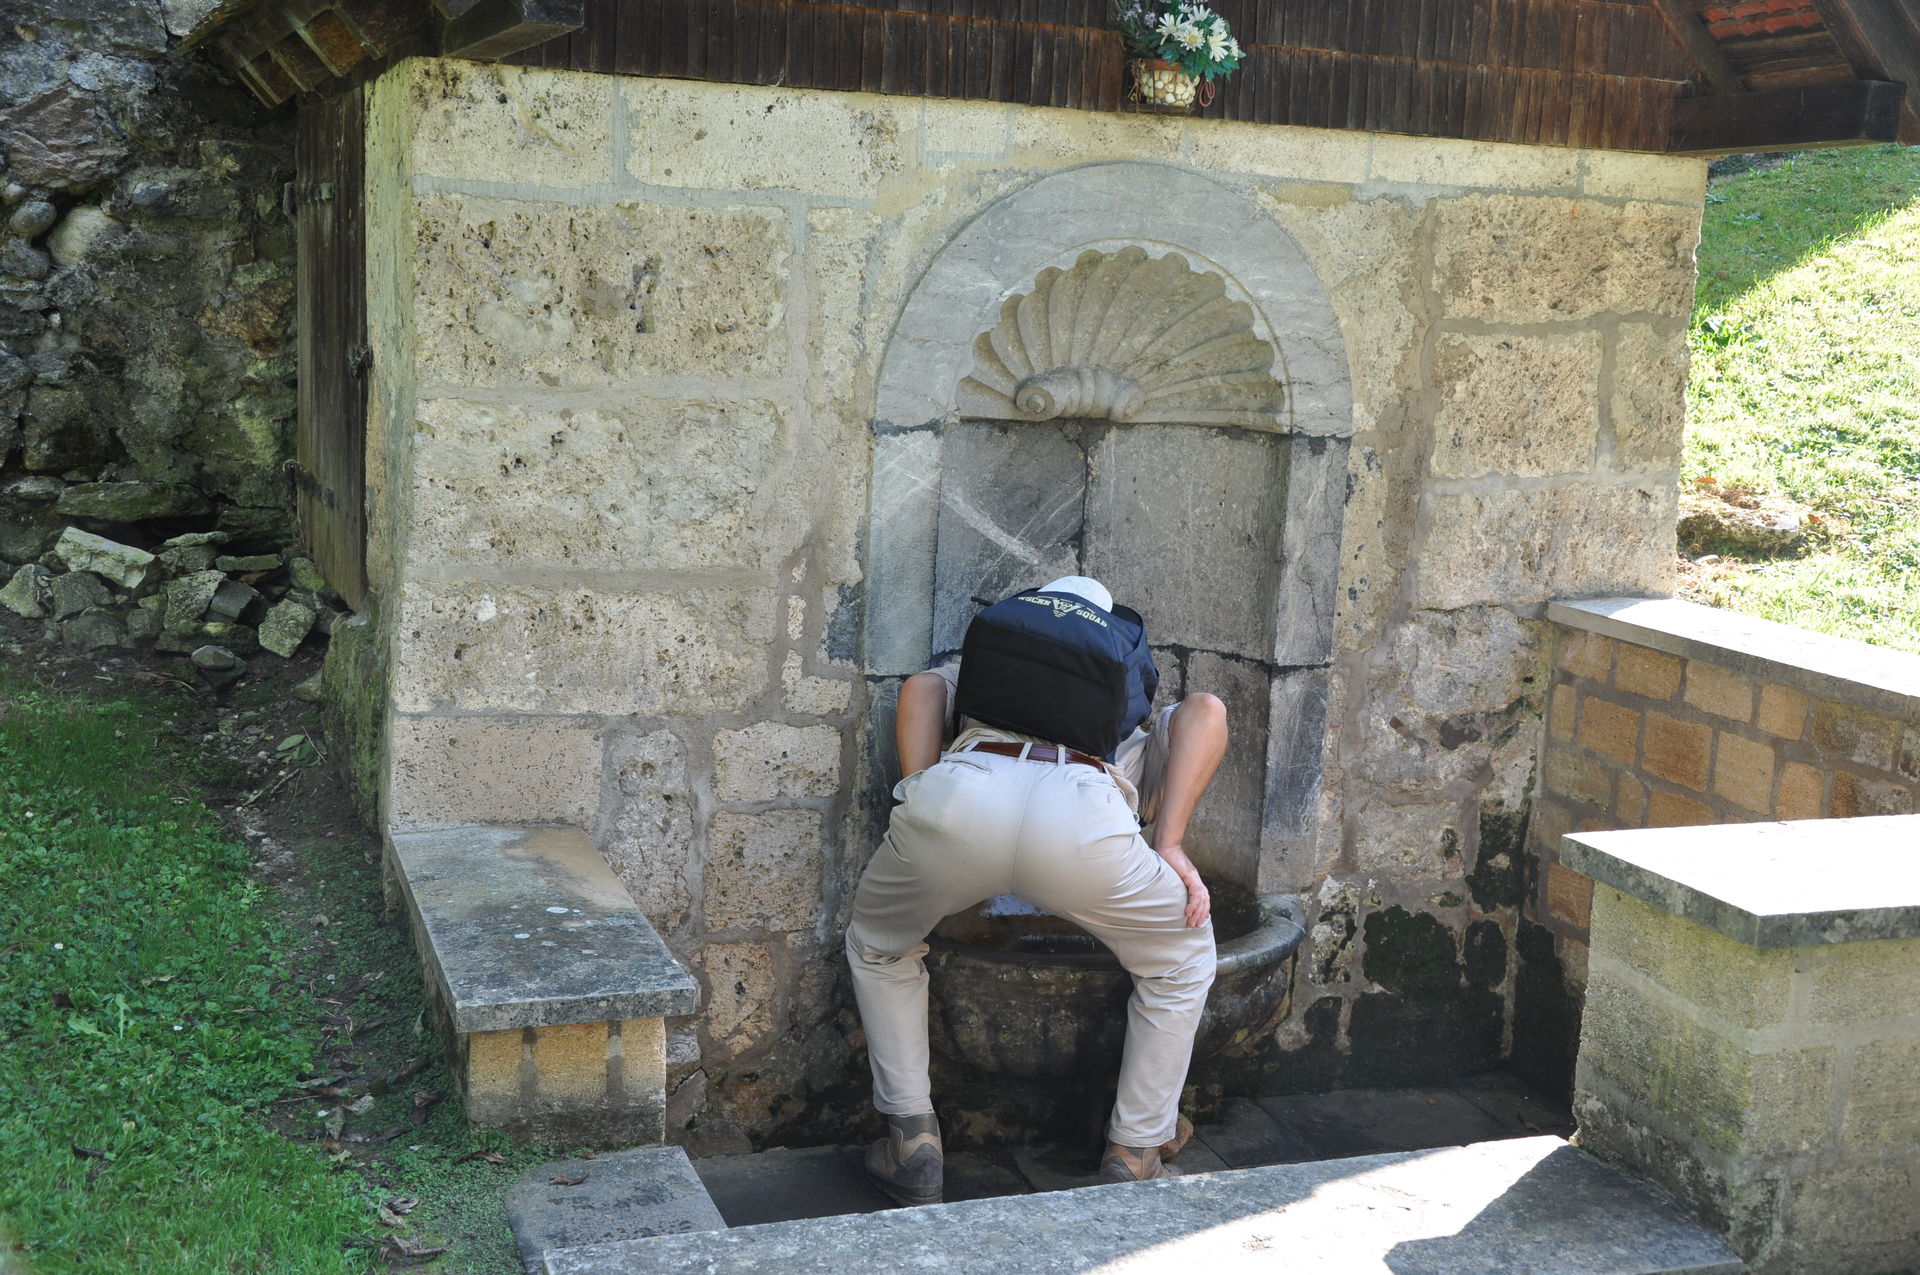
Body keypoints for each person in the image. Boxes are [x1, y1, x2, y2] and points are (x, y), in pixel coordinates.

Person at [844, 576, 1228, 1205]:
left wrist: (918, 798)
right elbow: (1207, 711)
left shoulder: (988, 673)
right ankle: (1135, 1149)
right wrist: (1171, 844)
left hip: (963, 790)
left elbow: (920, 689)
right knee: (1180, 963)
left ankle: (913, 1142)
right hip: (1083, 812)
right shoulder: (1120, 701)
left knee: (880, 947)